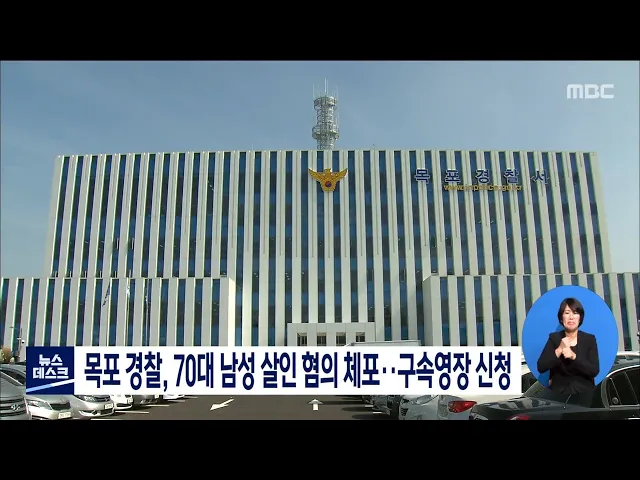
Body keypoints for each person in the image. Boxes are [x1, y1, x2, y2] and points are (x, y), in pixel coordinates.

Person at [537, 297, 600, 395]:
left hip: (584, 395)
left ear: (580, 318)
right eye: (567, 313)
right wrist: (559, 350)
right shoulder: (554, 338)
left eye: (575, 313)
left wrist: (574, 356)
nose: (571, 317)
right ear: (561, 318)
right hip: (559, 396)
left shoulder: (589, 339)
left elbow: (594, 370)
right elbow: (541, 367)